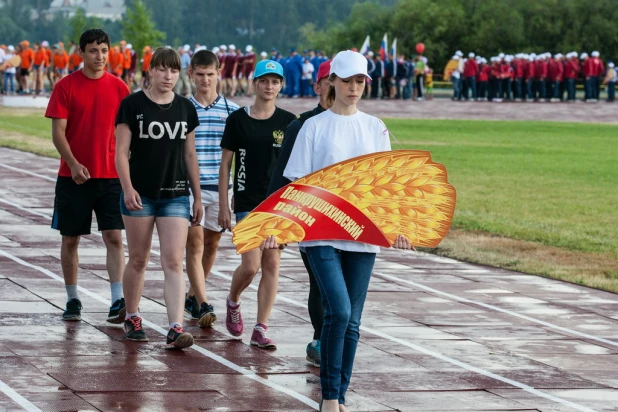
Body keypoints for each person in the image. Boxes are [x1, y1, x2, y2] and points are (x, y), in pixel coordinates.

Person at [282, 50, 413, 412]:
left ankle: (339, 396)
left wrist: (396, 226)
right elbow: (299, 186)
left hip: (363, 238)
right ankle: (328, 397)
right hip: (321, 236)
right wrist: (283, 227)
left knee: (352, 322)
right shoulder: (313, 127)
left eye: (360, 82)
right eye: (347, 81)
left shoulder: (375, 127)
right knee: (337, 312)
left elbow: (387, 186)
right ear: (332, 82)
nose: (354, 88)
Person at [115, 47, 202, 349]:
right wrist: (127, 188)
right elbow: (121, 153)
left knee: (173, 261)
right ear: (150, 71)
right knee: (138, 258)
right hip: (140, 195)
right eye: (162, 69)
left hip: (175, 195)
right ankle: (132, 315)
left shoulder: (185, 109)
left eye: (174, 70)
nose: (168, 76)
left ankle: (175, 327)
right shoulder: (132, 105)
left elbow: (189, 154)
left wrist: (198, 197)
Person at [44, 28, 129, 323]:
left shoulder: (119, 88)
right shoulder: (65, 87)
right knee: (70, 240)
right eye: (93, 51)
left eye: (104, 51)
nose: (100, 57)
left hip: (110, 177)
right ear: (81, 53)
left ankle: (118, 299)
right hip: (73, 177)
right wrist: (73, 162)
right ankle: (72, 299)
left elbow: (126, 135)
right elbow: (58, 133)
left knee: (114, 237)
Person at [218, 59, 296, 349]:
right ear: (255, 83)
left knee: (272, 263)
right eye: (264, 81)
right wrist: (225, 204)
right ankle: (233, 300)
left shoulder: (289, 122)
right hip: (247, 201)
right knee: (251, 266)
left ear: (281, 85)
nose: (269, 86)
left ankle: (261, 327)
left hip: (278, 205)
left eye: (275, 82)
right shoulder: (238, 119)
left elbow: (294, 167)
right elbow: (226, 162)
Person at [267, 59, 332, 367]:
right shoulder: (302, 125)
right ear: (317, 86)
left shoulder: (363, 123)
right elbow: (281, 178)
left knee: (344, 286)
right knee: (321, 283)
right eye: (331, 80)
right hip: (313, 219)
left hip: (350, 221)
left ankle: (335, 337)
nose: (339, 86)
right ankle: (321, 339)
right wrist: (274, 224)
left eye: (345, 80)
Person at [183, 50, 240, 325]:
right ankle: (202, 303)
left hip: (220, 189)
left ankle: (193, 294)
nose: (205, 80)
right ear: (191, 74)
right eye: (200, 75)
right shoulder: (182, 108)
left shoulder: (232, 111)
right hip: (189, 189)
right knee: (194, 244)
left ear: (219, 74)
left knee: (212, 245)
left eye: (210, 74)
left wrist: (234, 194)